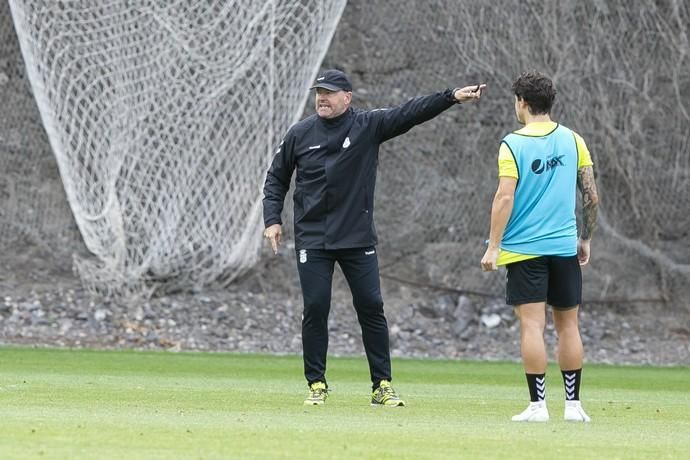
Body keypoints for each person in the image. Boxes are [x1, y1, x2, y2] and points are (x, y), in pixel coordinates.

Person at [263, 69, 486, 406]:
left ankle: (381, 385)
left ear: (347, 98)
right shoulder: (300, 133)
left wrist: (450, 96)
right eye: (318, 93)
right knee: (316, 306)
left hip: (357, 238)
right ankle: (316, 385)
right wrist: (272, 220)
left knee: (371, 307)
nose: (322, 98)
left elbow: (409, 112)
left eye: (329, 92)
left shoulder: (367, 126)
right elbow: (276, 179)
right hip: (313, 238)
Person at [480, 71, 599, 422]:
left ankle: (537, 407)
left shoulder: (512, 144)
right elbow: (591, 196)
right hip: (563, 248)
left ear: (522, 103)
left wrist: (493, 246)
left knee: (533, 327)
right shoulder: (574, 140)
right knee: (569, 326)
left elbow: (504, 197)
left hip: (524, 250)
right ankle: (574, 407)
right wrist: (586, 238)